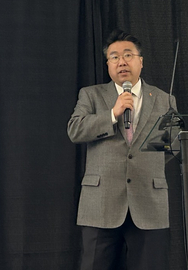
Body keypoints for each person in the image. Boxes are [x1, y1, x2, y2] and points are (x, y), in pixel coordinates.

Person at [67, 30, 177, 270]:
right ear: (108, 64)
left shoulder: (164, 99)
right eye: (114, 57)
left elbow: (172, 147)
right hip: (101, 202)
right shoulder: (91, 95)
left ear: (141, 61)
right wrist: (112, 114)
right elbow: (75, 130)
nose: (122, 61)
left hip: (148, 202)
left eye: (128, 55)